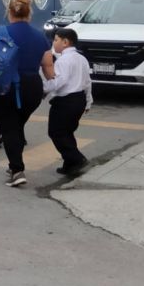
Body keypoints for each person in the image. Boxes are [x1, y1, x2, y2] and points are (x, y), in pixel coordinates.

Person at [0, 0, 50, 187]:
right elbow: (49, 70)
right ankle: (15, 162)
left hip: (5, 88)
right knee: (17, 124)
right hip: (32, 89)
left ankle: (17, 170)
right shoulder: (41, 36)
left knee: (9, 127)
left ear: (10, 13)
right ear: (29, 14)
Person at [41, 26, 94, 177]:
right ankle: (69, 164)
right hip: (79, 100)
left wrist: (42, 89)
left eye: (56, 40)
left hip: (65, 102)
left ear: (65, 42)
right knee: (67, 133)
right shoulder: (81, 58)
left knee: (56, 133)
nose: (54, 43)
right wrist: (88, 101)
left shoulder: (64, 60)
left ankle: (77, 159)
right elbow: (88, 82)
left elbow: (58, 82)